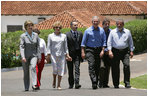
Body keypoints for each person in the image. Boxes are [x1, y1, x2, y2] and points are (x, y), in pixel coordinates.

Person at [107, 19, 134, 88]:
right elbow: (109, 42)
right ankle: (116, 84)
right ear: (116, 24)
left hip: (125, 52)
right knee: (115, 68)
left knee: (127, 65)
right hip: (115, 51)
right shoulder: (112, 32)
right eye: (118, 24)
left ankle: (127, 82)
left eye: (120, 24)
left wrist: (131, 51)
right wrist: (110, 51)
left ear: (123, 24)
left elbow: (130, 42)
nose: (119, 25)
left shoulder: (127, 32)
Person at [81, 16, 106, 89]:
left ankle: (96, 80)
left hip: (98, 50)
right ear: (92, 22)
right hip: (89, 50)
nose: (95, 23)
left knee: (97, 66)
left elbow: (104, 42)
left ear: (99, 22)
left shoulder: (101, 31)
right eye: (94, 21)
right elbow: (83, 43)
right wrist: (83, 52)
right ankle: (94, 81)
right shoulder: (87, 31)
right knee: (91, 65)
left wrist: (102, 50)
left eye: (97, 21)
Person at [46, 21, 72, 90]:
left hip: (62, 55)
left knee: (61, 70)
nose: (58, 28)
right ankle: (54, 79)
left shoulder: (63, 36)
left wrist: (67, 55)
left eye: (59, 27)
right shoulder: (50, 36)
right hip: (53, 55)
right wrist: (48, 55)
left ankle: (59, 84)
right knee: (55, 69)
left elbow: (65, 46)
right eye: (56, 27)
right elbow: (48, 46)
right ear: (54, 28)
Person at [20, 20, 41, 91]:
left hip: (34, 55)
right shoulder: (23, 36)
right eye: (28, 25)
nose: (30, 27)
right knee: (26, 72)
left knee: (33, 67)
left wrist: (39, 56)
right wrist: (23, 57)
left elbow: (38, 46)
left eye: (31, 25)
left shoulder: (36, 35)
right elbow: (22, 47)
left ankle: (34, 84)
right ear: (26, 27)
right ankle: (26, 87)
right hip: (25, 56)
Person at [66, 21, 83, 89]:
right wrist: (67, 55)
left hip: (77, 54)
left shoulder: (80, 33)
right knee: (70, 70)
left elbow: (82, 44)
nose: (76, 26)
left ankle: (77, 83)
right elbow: (65, 46)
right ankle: (71, 83)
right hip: (70, 54)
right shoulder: (67, 34)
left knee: (77, 69)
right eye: (74, 25)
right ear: (71, 26)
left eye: (77, 25)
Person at [99, 19, 111, 88]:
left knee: (107, 68)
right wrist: (104, 50)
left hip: (108, 52)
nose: (107, 25)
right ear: (102, 25)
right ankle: (100, 82)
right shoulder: (100, 32)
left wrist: (108, 50)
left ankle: (105, 83)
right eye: (105, 24)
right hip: (101, 52)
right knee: (102, 67)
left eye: (108, 24)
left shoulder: (111, 32)